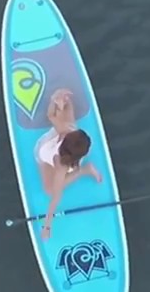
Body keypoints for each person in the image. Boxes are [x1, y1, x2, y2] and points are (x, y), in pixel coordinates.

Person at [34, 88, 102, 240]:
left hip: (60, 155)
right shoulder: (68, 133)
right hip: (57, 157)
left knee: (49, 190)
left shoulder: (66, 134)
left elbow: (50, 115)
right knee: (70, 122)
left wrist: (53, 101)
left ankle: (62, 101)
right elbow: (55, 197)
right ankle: (64, 102)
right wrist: (47, 226)